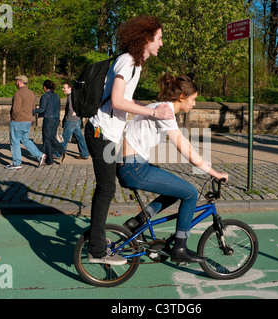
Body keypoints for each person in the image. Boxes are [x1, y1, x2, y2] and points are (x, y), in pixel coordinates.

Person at [85, 15, 174, 265]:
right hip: (100, 133)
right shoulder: (127, 61)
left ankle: (124, 231)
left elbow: (128, 100)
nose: (161, 43)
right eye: (159, 38)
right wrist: (154, 112)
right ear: (146, 39)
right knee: (106, 189)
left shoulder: (135, 64)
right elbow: (116, 101)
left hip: (110, 135)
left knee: (122, 182)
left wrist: (150, 109)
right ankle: (97, 250)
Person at [117, 74, 229, 263]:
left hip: (131, 165)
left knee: (175, 191)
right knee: (190, 193)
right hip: (134, 167)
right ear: (182, 97)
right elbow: (184, 147)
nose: (194, 104)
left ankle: (136, 223)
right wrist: (214, 172)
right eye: (193, 99)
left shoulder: (158, 107)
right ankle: (180, 247)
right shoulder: (166, 111)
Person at [5, 75, 46, 170]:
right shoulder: (31, 94)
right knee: (25, 140)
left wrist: (14, 118)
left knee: (15, 142)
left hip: (18, 121)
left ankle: (17, 163)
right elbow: (32, 108)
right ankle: (39, 155)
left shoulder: (18, 94)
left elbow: (16, 109)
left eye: (16, 81)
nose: (15, 83)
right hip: (27, 120)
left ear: (19, 82)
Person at [33, 79, 66, 166]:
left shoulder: (45, 96)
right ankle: (61, 151)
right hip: (56, 119)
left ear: (44, 87)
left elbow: (42, 109)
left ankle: (49, 160)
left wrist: (32, 111)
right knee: (51, 138)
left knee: (46, 139)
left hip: (48, 119)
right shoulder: (57, 96)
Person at [60, 83, 89, 160]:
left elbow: (70, 109)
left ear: (70, 88)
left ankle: (57, 154)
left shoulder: (70, 96)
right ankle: (84, 154)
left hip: (71, 121)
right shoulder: (76, 95)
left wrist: (68, 117)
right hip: (77, 120)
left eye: (64, 88)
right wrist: (77, 113)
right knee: (80, 138)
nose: (63, 89)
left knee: (64, 138)